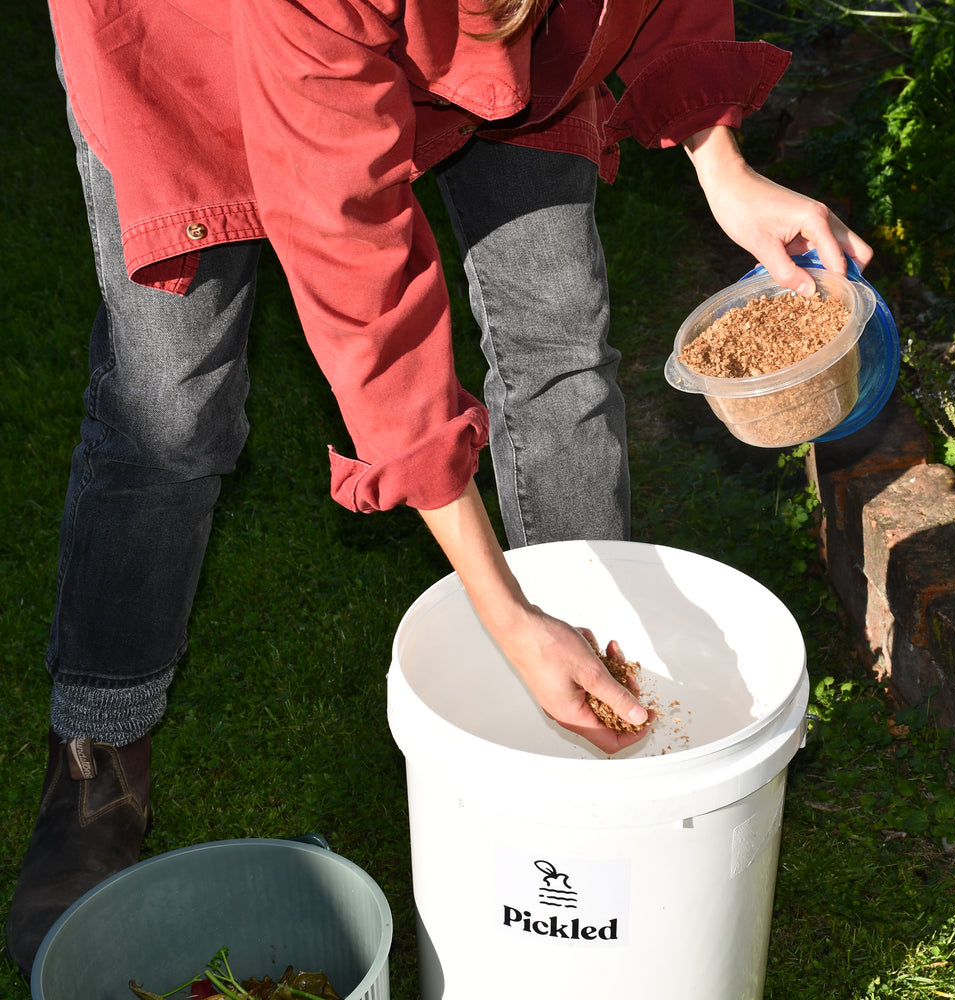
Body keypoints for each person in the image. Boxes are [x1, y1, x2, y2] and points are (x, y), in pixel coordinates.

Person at [4, 0, 873, 978]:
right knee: (173, 411)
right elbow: (361, 288)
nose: (490, 68)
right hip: (192, 46)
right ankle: (100, 757)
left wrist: (725, 166)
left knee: (562, 351)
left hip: (478, 43)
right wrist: (498, 610)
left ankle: (593, 701)